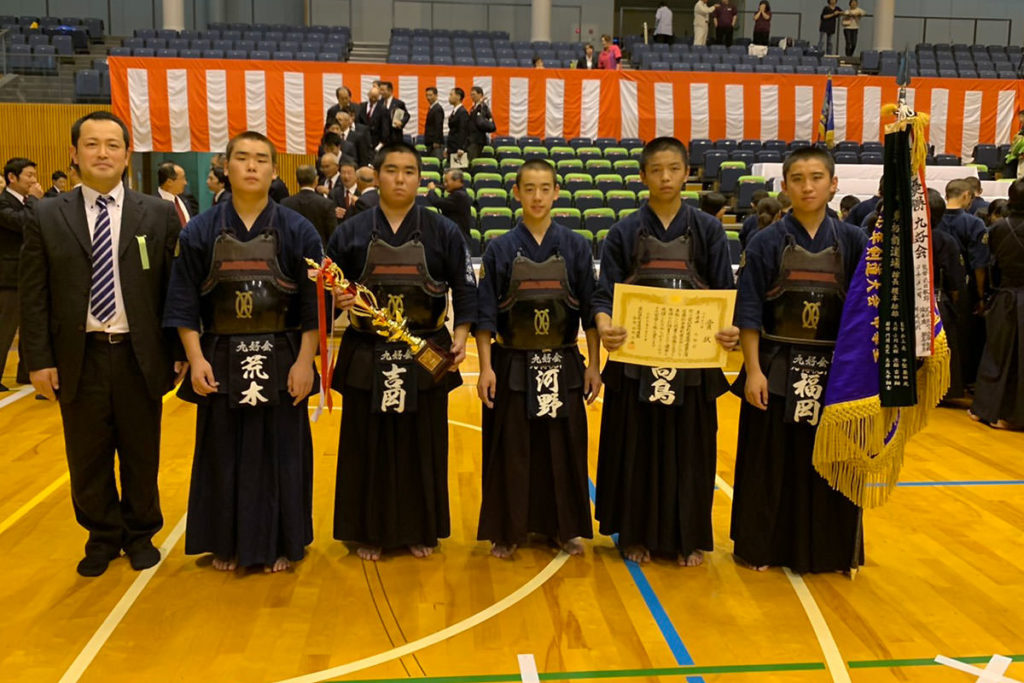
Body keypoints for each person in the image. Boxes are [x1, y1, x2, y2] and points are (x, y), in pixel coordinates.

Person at [19, 111, 182, 577]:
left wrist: (173, 351)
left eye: (113, 145)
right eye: (92, 144)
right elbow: (34, 293)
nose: (103, 153)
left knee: (140, 451)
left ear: (128, 155)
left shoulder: (155, 212)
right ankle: (102, 535)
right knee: (87, 455)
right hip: (80, 356)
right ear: (74, 154)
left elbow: (169, 287)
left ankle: (140, 532)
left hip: (138, 354)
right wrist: (38, 360)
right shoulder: (47, 214)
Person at [164, 130, 322, 573]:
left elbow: (314, 305)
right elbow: (183, 302)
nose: (252, 166)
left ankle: (283, 543)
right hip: (220, 357)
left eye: (261, 159)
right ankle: (225, 542)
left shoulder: (298, 229)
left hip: (282, 353)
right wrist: (195, 358)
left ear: (274, 170)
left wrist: (304, 361)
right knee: (222, 452)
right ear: (225, 168)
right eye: (242, 158)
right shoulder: (200, 230)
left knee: (282, 453)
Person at [327, 141, 477, 562]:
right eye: (391, 170)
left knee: (422, 443)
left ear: (419, 178)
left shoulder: (442, 230)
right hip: (366, 351)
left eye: (408, 171)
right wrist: (335, 300)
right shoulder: (350, 232)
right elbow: (324, 288)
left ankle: (421, 528)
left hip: (425, 349)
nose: (399, 178)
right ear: (377, 174)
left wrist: (461, 335)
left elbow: (466, 289)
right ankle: (367, 531)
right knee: (366, 443)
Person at [593, 137, 739, 567]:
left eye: (674, 169)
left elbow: (723, 294)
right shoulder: (623, 231)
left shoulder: (708, 230)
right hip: (637, 361)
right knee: (635, 448)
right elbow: (604, 296)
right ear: (643, 176)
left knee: (691, 450)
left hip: (691, 360)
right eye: (656, 170)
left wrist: (728, 329)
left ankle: (688, 536)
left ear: (686, 172)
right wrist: (605, 324)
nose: (665, 178)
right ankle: (633, 534)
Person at [730, 146, 867, 574]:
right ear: (785, 185)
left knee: (831, 462)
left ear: (833, 183)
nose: (807, 187)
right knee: (770, 463)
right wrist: (753, 371)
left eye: (816, 178)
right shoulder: (766, 241)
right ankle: (762, 547)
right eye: (798, 179)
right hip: (775, 364)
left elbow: (866, 314)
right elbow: (749, 311)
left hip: (837, 372)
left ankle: (831, 550)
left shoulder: (853, 241)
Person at [475, 159, 601, 559]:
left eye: (545, 188)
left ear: (557, 192)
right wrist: (485, 368)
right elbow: (485, 316)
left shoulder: (577, 246)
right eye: (529, 188)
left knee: (563, 449)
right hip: (512, 361)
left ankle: (562, 529)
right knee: (511, 449)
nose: (537, 197)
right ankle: (507, 530)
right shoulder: (499, 248)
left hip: (563, 362)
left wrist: (594, 365)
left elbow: (590, 310)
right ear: (516, 193)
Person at [970, 180, 1024, 429]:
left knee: (995, 354)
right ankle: (1012, 416)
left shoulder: (998, 228)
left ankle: (983, 409)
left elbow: (990, 266)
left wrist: (984, 296)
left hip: (1004, 297)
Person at [939, 178, 989, 389]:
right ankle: (959, 383)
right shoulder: (974, 223)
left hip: (932, 288)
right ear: (967, 196)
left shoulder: (933, 218)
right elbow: (979, 264)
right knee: (962, 337)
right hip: (963, 287)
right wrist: (980, 296)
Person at [0, 157, 43, 391]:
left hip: (29, 275)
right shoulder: (3, 202)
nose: (33, 180)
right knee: (5, 329)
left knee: (31, 326)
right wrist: (35, 201)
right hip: (9, 277)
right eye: (29, 175)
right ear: (12, 178)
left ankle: (26, 372)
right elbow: (23, 223)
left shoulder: (27, 201)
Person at [925, 189, 967, 402]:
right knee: (943, 347)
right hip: (939, 301)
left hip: (921, 299)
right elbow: (955, 279)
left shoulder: (903, 238)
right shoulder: (947, 241)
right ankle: (943, 390)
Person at [282, 164, 338, 245]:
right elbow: (333, 236)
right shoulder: (327, 204)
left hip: (293, 254)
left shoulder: (285, 203)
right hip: (319, 253)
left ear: (297, 181)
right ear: (316, 180)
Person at [426, 168, 474, 238]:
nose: (445, 184)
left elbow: (436, 201)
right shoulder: (460, 193)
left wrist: (431, 191)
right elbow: (443, 188)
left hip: (458, 237)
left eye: (446, 181)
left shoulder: (459, 196)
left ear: (457, 181)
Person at [156, 162, 192, 228]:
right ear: (169, 182)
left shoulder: (185, 199)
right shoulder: (154, 205)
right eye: (182, 178)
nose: (185, 183)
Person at [467, 86, 494, 162]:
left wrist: (480, 104)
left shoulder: (482, 107)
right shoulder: (474, 107)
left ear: (480, 95)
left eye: (474, 94)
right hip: (471, 139)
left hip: (477, 140)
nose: (472, 97)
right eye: (471, 95)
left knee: (473, 160)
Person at [379, 81, 410, 147]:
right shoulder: (379, 103)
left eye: (383, 90)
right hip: (381, 138)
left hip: (394, 137)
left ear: (390, 90)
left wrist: (401, 122)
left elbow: (406, 115)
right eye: (380, 90)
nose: (381, 92)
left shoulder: (399, 103)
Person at [447, 88, 470, 167]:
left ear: (458, 97)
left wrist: (461, 148)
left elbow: (463, 131)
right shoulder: (455, 111)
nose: (449, 97)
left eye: (451, 95)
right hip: (452, 147)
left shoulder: (462, 112)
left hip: (457, 149)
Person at [423, 86, 445, 160]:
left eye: (430, 95)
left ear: (436, 95)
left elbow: (438, 126)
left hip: (435, 143)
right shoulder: (432, 108)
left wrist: (437, 141)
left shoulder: (437, 109)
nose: (428, 98)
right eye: (427, 95)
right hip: (430, 142)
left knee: (436, 160)